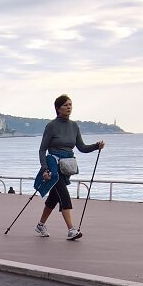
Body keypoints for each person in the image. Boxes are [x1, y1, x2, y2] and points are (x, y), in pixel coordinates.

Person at [36, 94, 105, 241]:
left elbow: (81, 147)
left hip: (66, 167)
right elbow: (42, 149)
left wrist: (96, 146)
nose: (69, 107)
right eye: (66, 105)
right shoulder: (51, 126)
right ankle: (71, 230)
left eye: (70, 105)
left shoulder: (74, 126)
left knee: (54, 198)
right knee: (64, 196)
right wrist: (45, 169)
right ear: (57, 108)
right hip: (53, 167)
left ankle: (40, 225)